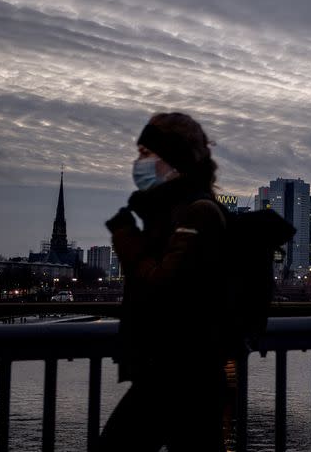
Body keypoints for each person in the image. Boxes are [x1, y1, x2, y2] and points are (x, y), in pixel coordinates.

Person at [99, 112, 229, 451]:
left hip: (179, 374)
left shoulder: (196, 212)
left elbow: (163, 287)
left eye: (145, 154)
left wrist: (126, 239)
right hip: (179, 371)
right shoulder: (170, 213)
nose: (137, 162)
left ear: (172, 159)